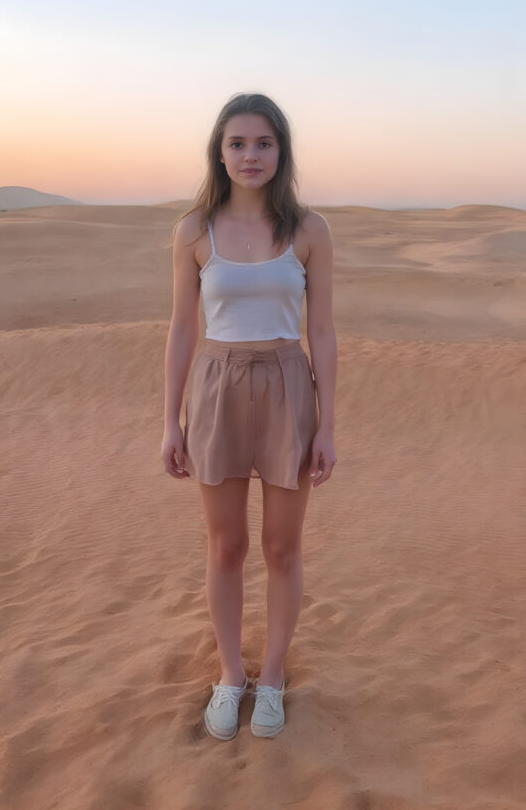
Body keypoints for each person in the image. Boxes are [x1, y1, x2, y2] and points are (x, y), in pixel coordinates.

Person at [160, 92, 337, 741]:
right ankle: (231, 674)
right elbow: (182, 329)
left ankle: (273, 676)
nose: (250, 154)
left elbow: (322, 330)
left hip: (290, 384)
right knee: (226, 546)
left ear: (280, 151)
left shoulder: (310, 229)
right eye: (237, 143)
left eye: (263, 143)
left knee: (282, 547)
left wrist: (329, 424)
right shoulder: (193, 230)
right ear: (220, 150)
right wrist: (171, 421)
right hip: (216, 386)